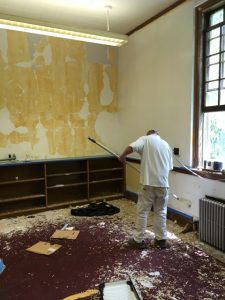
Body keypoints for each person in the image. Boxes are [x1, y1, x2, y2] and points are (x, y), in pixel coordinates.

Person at [119, 130, 173, 249]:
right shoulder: (166, 144)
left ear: (149, 134)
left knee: (143, 212)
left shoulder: (145, 139)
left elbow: (131, 147)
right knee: (161, 212)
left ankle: (138, 240)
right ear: (158, 134)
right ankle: (161, 240)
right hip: (163, 185)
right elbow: (169, 168)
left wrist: (123, 156)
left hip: (148, 184)